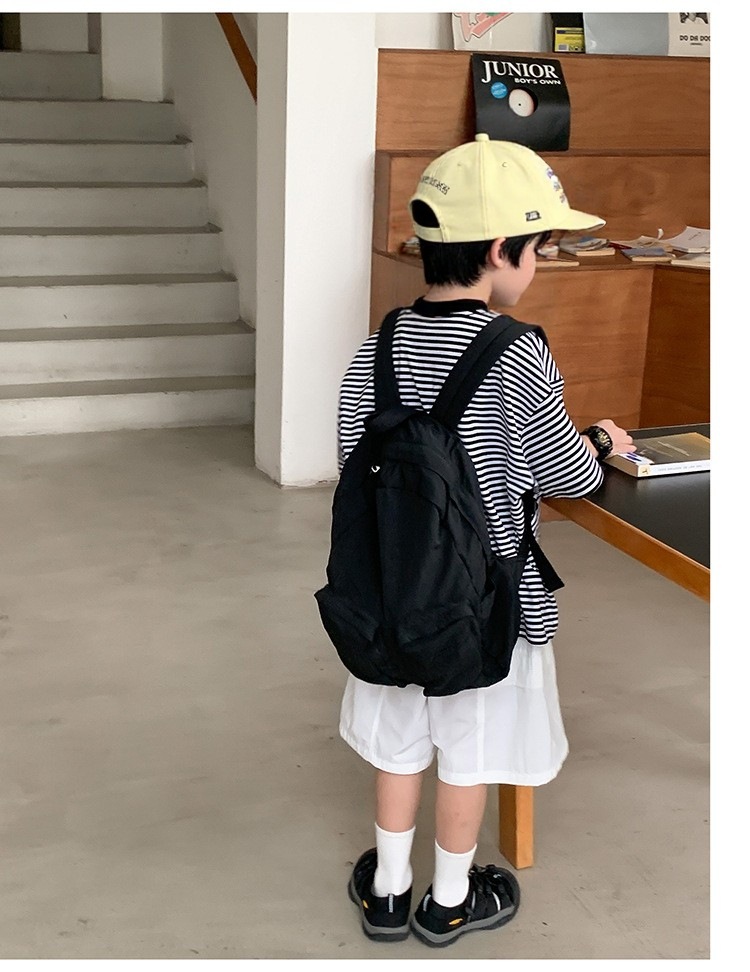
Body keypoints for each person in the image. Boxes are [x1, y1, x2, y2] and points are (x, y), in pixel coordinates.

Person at [336, 135, 634, 948]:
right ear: (502, 250)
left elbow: (351, 458)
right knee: (467, 754)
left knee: (400, 745)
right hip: (485, 604)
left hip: (387, 594)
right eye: (540, 247)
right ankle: (450, 901)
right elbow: (568, 473)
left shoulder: (379, 344)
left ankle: (387, 893)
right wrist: (601, 443)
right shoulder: (516, 349)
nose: (539, 262)